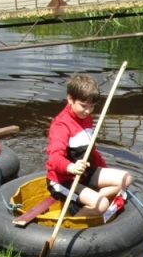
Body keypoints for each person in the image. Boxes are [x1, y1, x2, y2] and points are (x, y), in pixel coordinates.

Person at [45, 73, 132, 220]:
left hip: (85, 173)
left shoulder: (86, 118)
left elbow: (92, 151)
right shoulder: (61, 125)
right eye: (84, 106)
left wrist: (105, 171)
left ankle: (80, 204)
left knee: (126, 178)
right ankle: (74, 219)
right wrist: (71, 167)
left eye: (92, 106)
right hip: (64, 180)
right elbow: (54, 158)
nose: (88, 111)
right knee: (102, 204)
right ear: (70, 99)